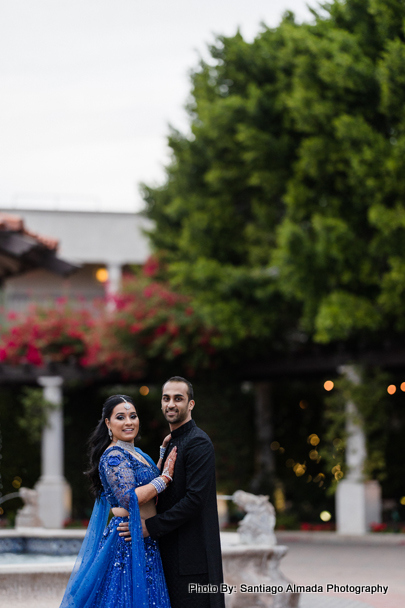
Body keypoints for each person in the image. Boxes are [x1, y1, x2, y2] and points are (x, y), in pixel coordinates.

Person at [59, 394, 177, 608]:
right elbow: (128, 497)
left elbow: (146, 481)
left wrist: (163, 454)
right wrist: (165, 478)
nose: (129, 422)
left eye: (133, 416)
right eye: (121, 417)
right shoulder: (113, 456)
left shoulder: (135, 452)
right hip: (127, 540)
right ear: (108, 423)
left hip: (145, 535)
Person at [118, 377, 225, 608]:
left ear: (191, 404)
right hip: (173, 555)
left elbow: (194, 500)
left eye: (179, 398)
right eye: (166, 398)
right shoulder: (173, 442)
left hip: (192, 561)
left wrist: (151, 527)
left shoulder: (198, 443)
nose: (171, 404)